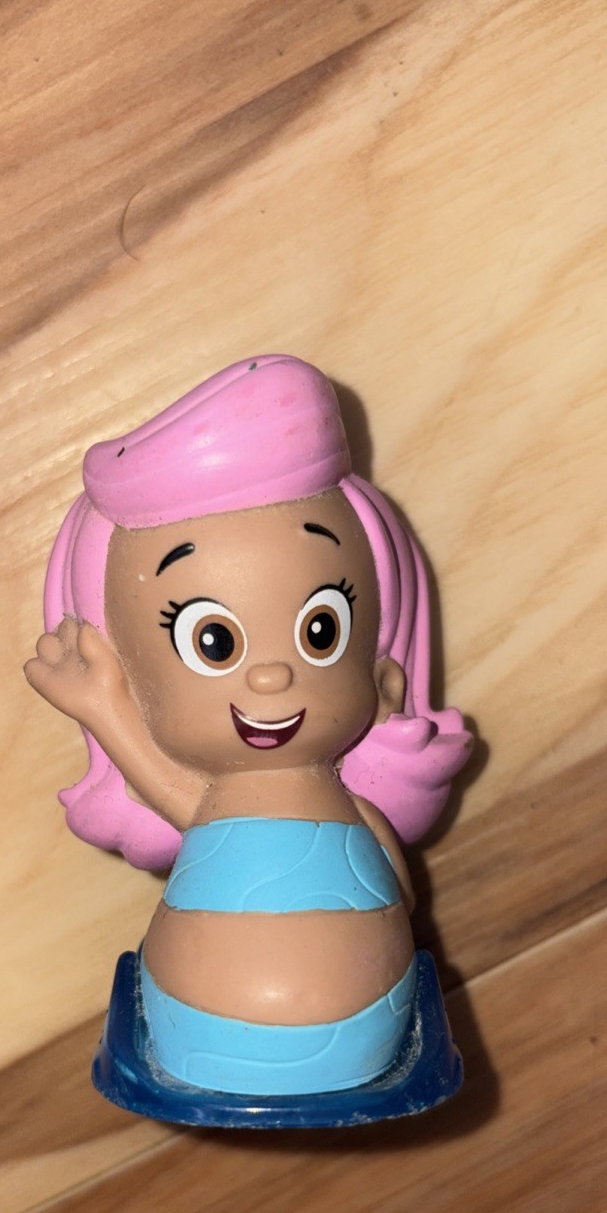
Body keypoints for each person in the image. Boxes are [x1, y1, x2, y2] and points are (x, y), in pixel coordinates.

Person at [26, 355, 471, 1100]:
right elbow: (399, 893)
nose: (269, 678)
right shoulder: (285, 811)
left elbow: (398, 894)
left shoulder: (320, 807)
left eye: (320, 632)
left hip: (369, 1024)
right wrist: (101, 707)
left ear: (381, 671)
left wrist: (104, 709)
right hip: (198, 1019)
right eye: (213, 642)